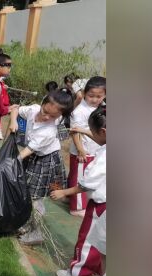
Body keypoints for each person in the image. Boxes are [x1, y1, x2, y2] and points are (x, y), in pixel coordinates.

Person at [8, 88, 74, 245]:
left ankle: (36, 233)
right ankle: (24, 224)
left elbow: (27, 151)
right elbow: (15, 108)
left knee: (35, 198)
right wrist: (13, 120)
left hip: (45, 161)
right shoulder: (33, 109)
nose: (46, 117)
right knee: (24, 191)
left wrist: (10, 162)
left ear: (59, 117)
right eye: (45, 111)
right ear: (43, 103)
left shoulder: (49, 131)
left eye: (53, 116)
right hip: (32, 157)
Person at [51, 105, 106, 276]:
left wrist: (63, 192)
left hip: (101, 205)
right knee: (103, 239)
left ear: (104, 131)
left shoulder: (105, 158)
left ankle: (79, 273)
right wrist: (84, 130)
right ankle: (97, 268)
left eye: (92, 132)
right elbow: (101, 138)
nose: (90, 134)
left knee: (88, 238)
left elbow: (86, 184)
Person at [67, 76, 106, 216]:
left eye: (99, 96)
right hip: (83, 151)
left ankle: (75, 199)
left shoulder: (102, 108)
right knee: (78, 178)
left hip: (95, 150)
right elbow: (74, 132)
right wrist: (80, 150)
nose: (95, 99)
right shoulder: (80, 111)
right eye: (91, 96)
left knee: (88, 176)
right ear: (84, 93)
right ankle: (76, 208)